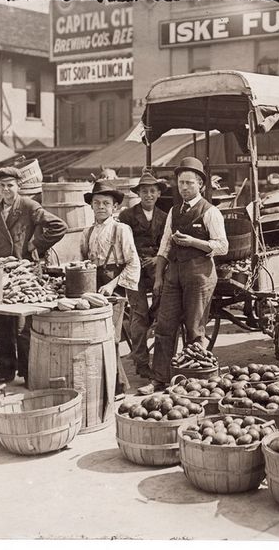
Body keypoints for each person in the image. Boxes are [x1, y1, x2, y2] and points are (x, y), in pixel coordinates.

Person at [139, 157, 228, 395]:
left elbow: (222, 246)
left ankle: (192, 382)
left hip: (199, 275)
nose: (184, 187)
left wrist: (194, 242)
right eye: (181, 183)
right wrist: (159, 277)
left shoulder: (210, 212)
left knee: (194, 329)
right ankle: (160, 378)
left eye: (189, 183)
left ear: (200, 183)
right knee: (165, 326)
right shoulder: (173, 211)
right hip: (174, 274)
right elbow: (165, 247)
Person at [0, 167, 67, 385]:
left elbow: (58, 226)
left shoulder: (29, 206)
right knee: (3, 322)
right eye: (2, 185)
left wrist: (36, 243)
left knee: (24, 326)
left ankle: (28, 372)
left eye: (10, 185)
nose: (6, 190)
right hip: (1, 272)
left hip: (23, 271)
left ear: (19, 186)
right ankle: (4, 371)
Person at [80, 180, 142, 398]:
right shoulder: (86, 233)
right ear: (91, 206)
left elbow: (133, 262)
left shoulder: (121, 229)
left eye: (106, 203)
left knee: (111, 338)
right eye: (96, 203)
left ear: (115, 207)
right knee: (93, 336)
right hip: (92, 287)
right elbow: (83, 263)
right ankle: (100, 385)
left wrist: (112, 284)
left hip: (114, 287)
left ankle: (117, 386)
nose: (100, 207)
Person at [117, 171, 168, 379]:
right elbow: (122, 244)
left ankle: (160, 355)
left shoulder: (164, 217)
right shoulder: (127, 216)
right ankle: (141, 362)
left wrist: (158, 259)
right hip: (133, 269)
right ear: (138, 194)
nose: (148, 195)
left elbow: (167, 243)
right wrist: (136, 260)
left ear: (157, 194)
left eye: (152, 191)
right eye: (144, 191)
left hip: (156, 268)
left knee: (161, 308)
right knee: (138, 315)